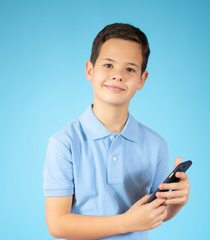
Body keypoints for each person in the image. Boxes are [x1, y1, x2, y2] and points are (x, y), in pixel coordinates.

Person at [43, 23, 190, 240]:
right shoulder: (64, 142)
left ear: (142, 79)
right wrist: (126, 222)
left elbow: (153, 212)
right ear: (90, 70)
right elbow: (57, 224)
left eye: (130, 69)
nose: (118, 75)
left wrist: (176, 204)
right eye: (108, 65)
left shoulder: (156, 144)